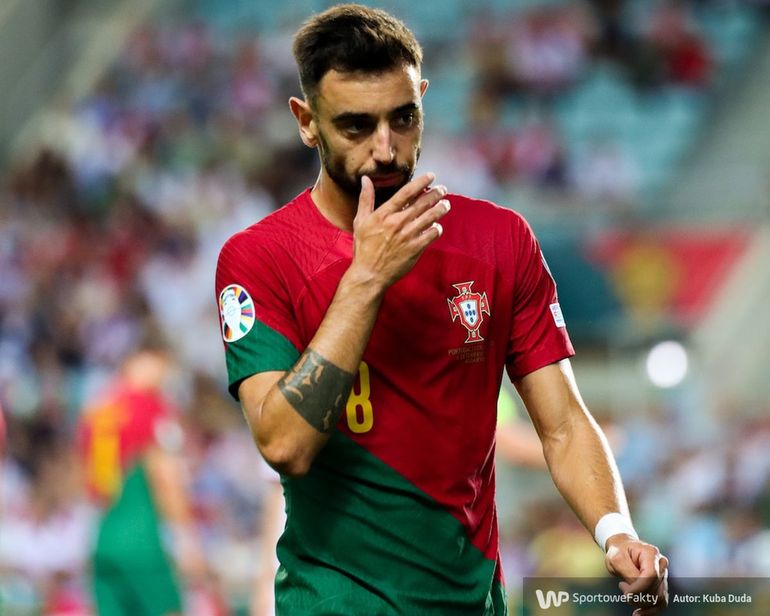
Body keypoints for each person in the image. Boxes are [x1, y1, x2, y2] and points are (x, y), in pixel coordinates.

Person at [215, 4, 668, 615]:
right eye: (355, 126)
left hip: (472, 601)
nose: (384, 149)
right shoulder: (259, 258)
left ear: (423, 100)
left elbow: (562, 423)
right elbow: (285, 445)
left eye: (402, 118)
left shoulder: (499, 241)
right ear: (307, 122)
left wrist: (616, 531)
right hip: (336, 603)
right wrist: (366, 278)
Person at [77, 344, 210, 616]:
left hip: (104, 538)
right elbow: (165, 475)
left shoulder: (98, 410)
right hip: (143, 540)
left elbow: (91, 479)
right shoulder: (151, 407)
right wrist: (187, 541)